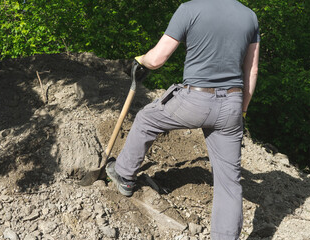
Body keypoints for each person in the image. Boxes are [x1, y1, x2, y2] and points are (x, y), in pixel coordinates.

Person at [106, 0, 260, 239]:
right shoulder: (249, 16)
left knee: (147, 118)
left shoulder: (190, 9)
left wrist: (140, 60)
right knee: (229, 182)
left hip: (194, 100)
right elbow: (251, 70)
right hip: (232, 104)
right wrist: (242, 111)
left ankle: (124, 175)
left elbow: (157, 59)